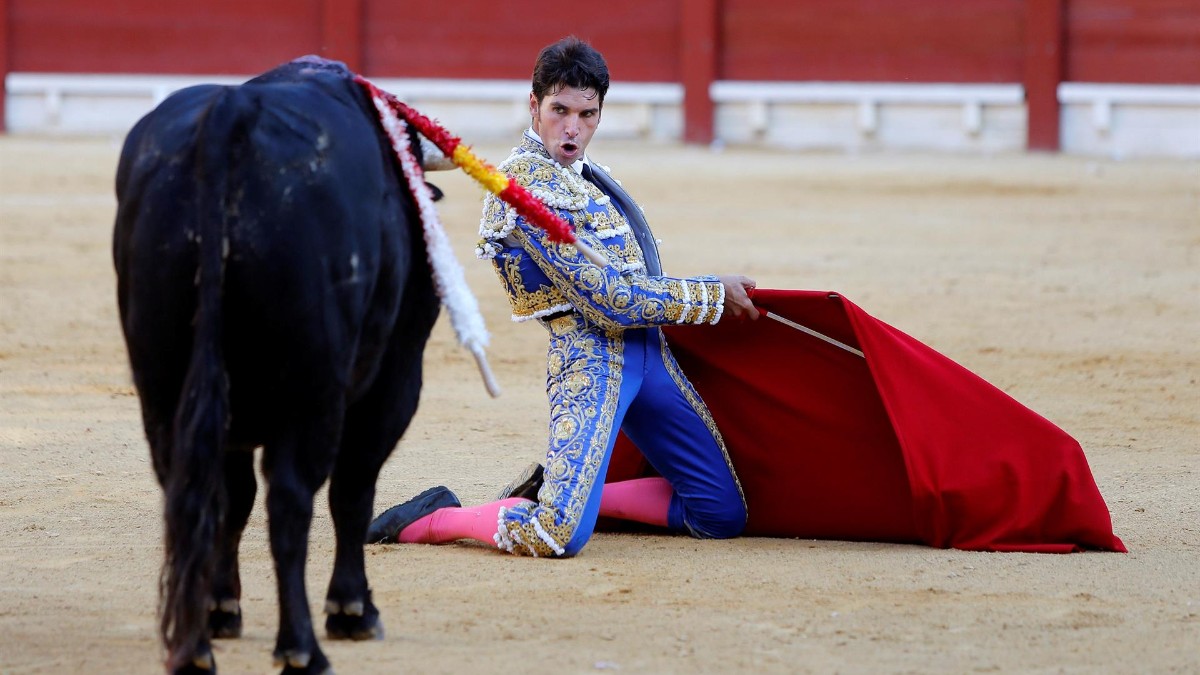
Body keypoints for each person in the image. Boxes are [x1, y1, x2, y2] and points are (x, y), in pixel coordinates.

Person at [367, 36, 759, 557]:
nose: (572, 128)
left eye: (586, 114)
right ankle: (437, 518)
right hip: (591, 359)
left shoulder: (588, 175)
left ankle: (566, 496)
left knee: (720, 513)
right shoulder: (524, 187)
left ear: (599, 113)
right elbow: (610, 300)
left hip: (650, 357)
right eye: (559, 110)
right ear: (534, 105)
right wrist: (712, 295)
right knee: (554, 536)